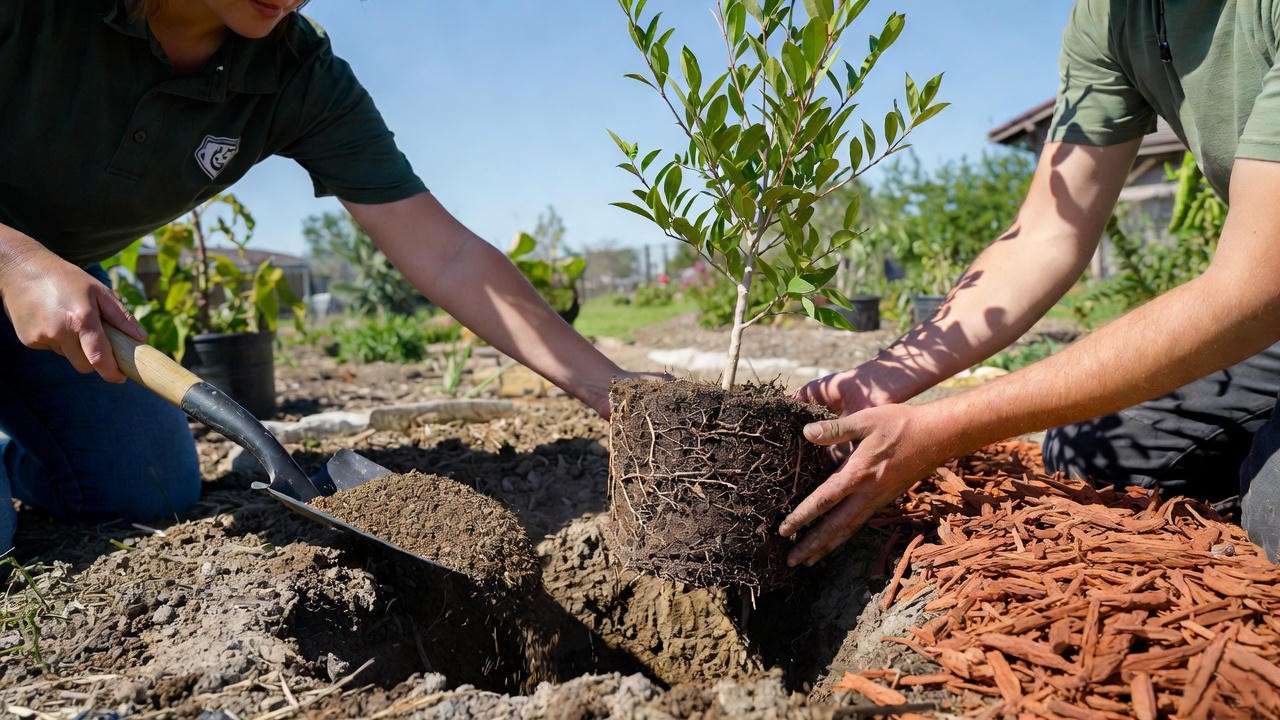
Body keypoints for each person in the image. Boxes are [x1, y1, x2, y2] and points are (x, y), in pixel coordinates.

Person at [0, 0, 654, 552]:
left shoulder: (292, 72)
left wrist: (614, 388)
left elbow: (446, 253)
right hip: (20, 262)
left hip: (56, 289)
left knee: (149, 486)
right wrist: (18, 261)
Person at [783, 0, 1280, 566]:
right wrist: (880, 376)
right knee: (1090, 450)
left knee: (1274, 512)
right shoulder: (1111, 17)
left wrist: (946, 426)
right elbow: (1047, 234)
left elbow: (1256, 285)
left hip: (1267, 293)